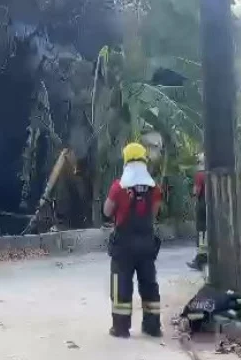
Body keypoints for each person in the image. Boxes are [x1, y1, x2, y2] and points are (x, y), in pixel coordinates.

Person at [104, 142, 163, 338]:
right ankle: (152, 326)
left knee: (120, 284)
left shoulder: (118, 187)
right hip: (147, 244)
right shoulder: (154, 189)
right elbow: (153, 214)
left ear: (126, 161)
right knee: (149, 284)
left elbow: (107, 210)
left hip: (123, 246)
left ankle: (121, 328)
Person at [188, 153, 208, 271]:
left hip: (202, 206)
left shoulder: (200, 175)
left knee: (201, 234)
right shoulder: (212, 174)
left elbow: (196, 191)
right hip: (213, 207)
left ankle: (201, 259)